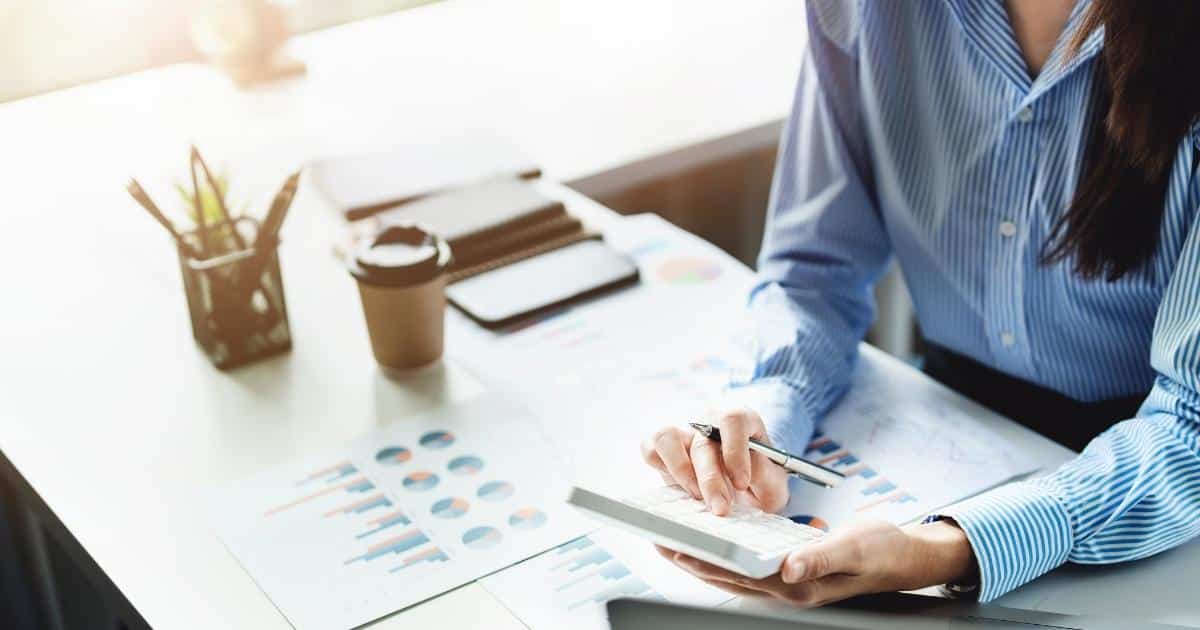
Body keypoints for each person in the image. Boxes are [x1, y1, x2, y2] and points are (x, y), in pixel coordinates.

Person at [642, 0, 1200, 606]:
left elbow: (1192, 421)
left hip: (1148, 495)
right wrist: (762, 417)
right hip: (946, 417)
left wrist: (947, 548)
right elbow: (814, 273)